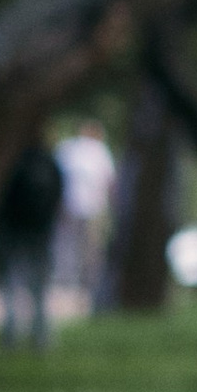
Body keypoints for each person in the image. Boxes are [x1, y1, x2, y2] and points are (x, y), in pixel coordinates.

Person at [0, 135, 65, 351]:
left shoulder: (13, 163)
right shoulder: (49, 162)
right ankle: (40, 336)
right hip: (41, 232)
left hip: (13, 231)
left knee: (10, 283)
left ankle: (10, 334)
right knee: (39, 288)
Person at [52, 119, 119, 309]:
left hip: (71, 205)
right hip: (91, 207)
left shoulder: (67, 148)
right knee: (90, 248)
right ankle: (87, 282)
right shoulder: (99, 150)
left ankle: (68, 281)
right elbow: (110, 181)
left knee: (69, 245)